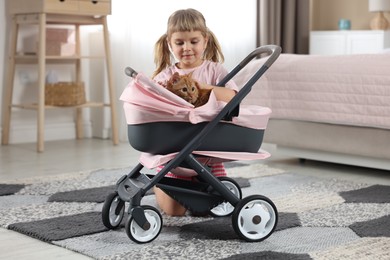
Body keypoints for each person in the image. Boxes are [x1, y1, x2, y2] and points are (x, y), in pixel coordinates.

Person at [152, 8, 238, 216]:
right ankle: (159, 182)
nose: (187, 48)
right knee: (175, 212)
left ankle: (197, 185)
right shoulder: (167, 75)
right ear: (169, 44)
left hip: (208, 152)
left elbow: (234, 97)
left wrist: (202, 86)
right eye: (180, 43)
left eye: (193, 41)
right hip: (176, 151)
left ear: (205, 41)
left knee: (214, 205)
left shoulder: (215, 70)